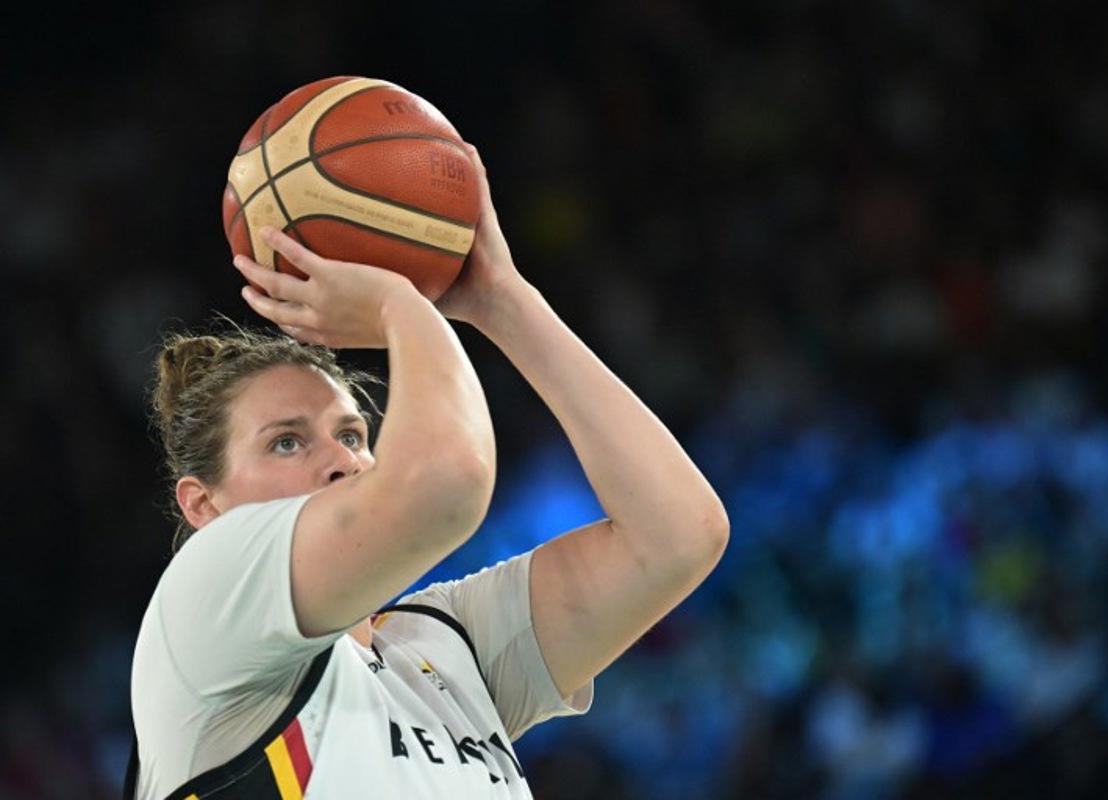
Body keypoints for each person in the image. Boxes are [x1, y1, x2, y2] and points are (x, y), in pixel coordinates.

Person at [125, 145, 730, 798]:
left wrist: (503, 301)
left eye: (353, 434)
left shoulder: (443, 642)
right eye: (286, 443)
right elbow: (447, 482)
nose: (340, 462)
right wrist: (399, 302)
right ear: (203, 507)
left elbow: (678, 537)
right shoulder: (203, 609)